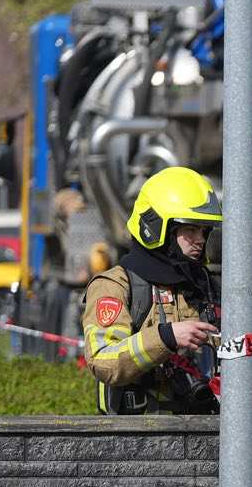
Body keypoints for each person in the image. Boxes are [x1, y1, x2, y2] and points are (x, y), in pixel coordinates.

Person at [81, 166, 227, 414]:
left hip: (208, 433)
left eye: (204, 230)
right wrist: (165, 338)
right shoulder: (117, 285)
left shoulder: (207, 286)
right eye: (190, 229)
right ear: (156, 227)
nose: (200, 239)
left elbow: (234, 348)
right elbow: (103, 361)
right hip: (138, 439)